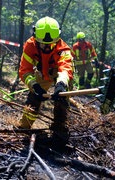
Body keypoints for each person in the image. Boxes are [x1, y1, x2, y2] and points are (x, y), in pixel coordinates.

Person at [18, 16, 73, 145]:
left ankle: (59, 129)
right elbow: (25, 70)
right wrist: (35, 86)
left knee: (62, 99)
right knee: (33, 99)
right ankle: (24, 127)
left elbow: (65, 68)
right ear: (36, 39)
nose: (47, 48)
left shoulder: (63, 49)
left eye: (51, 45)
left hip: (59, 74)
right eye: (43, 44)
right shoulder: (30, 46)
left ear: (57, 39)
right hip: (42, 74)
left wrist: (61, 84)